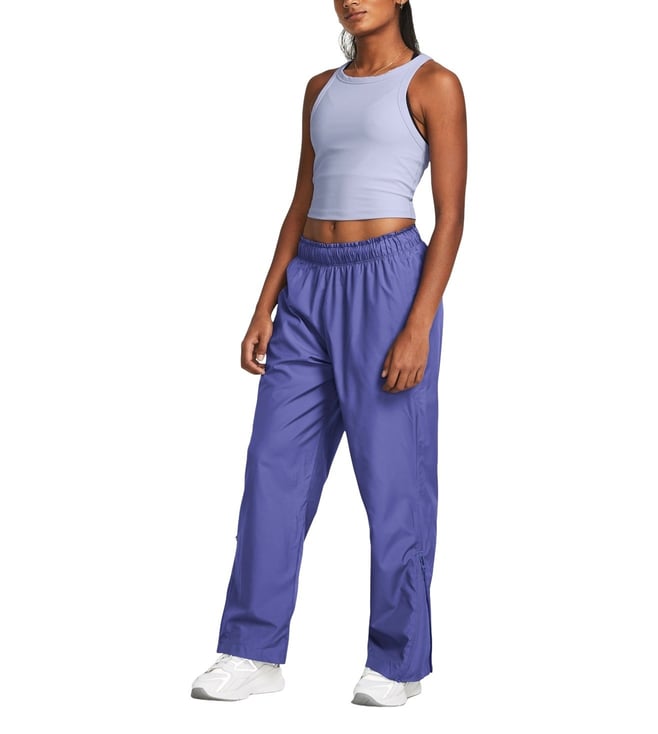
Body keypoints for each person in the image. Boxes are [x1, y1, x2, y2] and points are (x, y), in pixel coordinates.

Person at [191, 0, 467, 707]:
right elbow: (302, 196)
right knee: (272, 470)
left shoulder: (433, 83)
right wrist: (265, 303)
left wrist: (418, 324)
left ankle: (398, 662)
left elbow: (451, 216)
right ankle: (251, 650)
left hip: (389, 283)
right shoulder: (321, 87)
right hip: (309, 284)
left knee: (395, 482)